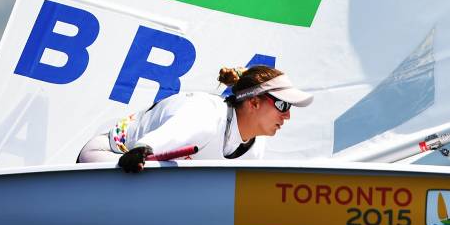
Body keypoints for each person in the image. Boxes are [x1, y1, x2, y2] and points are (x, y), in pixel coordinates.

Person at [77, 65, 312, 172]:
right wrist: (142, 150)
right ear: (254, 102)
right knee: (171, 174)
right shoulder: (207, 115)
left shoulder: (256, 147)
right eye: (283, 104)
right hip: (107, 156)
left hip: (149, 177)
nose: (288, 115)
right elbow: (160, 139)